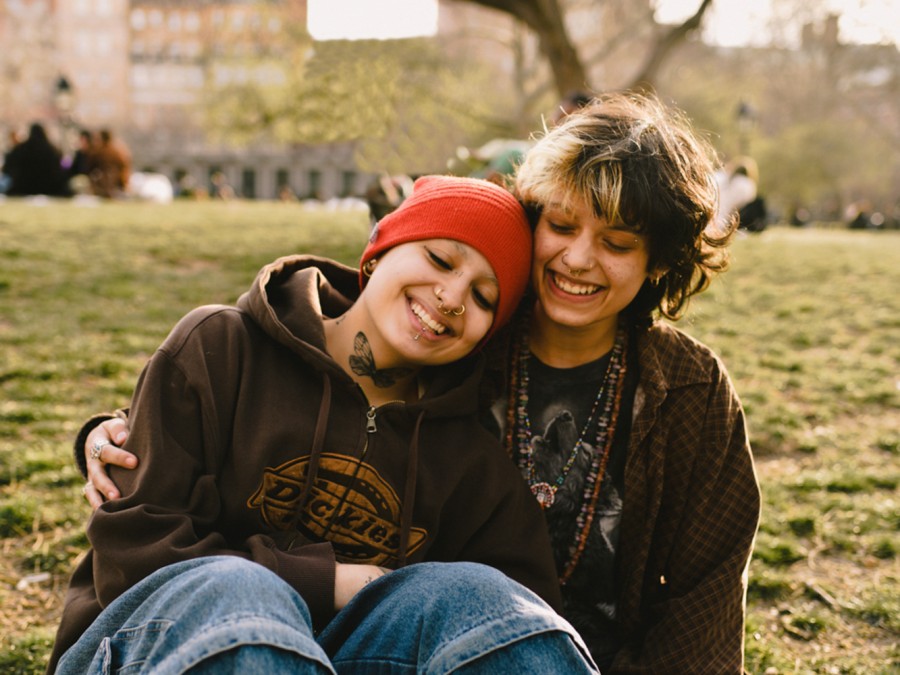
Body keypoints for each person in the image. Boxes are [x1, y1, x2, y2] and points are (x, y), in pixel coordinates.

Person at [78, 93, 761, 673]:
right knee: (243, 603)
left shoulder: (682, 394)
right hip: (215, 625)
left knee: (489, 605)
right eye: (560, 225)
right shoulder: (453, 349)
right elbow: (287, 374)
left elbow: (702, 594)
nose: (579, 257)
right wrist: (114, 433)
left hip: (481, 645)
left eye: (617, 243)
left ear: (658, 261)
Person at [50, 175, 597, 674]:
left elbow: (521, 612)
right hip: (158, 638)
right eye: (439, 259)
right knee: (241, 593)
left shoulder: (469, 458)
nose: (452, 297)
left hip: (356, 654)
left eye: (484, 297)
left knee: (483, 599)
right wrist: (331, 581)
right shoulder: (221, 347)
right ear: (381, 247)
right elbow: (132, 552)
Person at [2, 122, 71, 197]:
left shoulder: (21, 149)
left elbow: (8, 168)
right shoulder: (51, 151)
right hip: (49, 188)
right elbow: (59, 172)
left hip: (23, 188)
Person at [88, 128, 131, 198]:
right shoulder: (119, 150)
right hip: (116, 183)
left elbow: (89, 166)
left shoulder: (99, 151)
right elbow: (125, 166)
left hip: (104, 183)